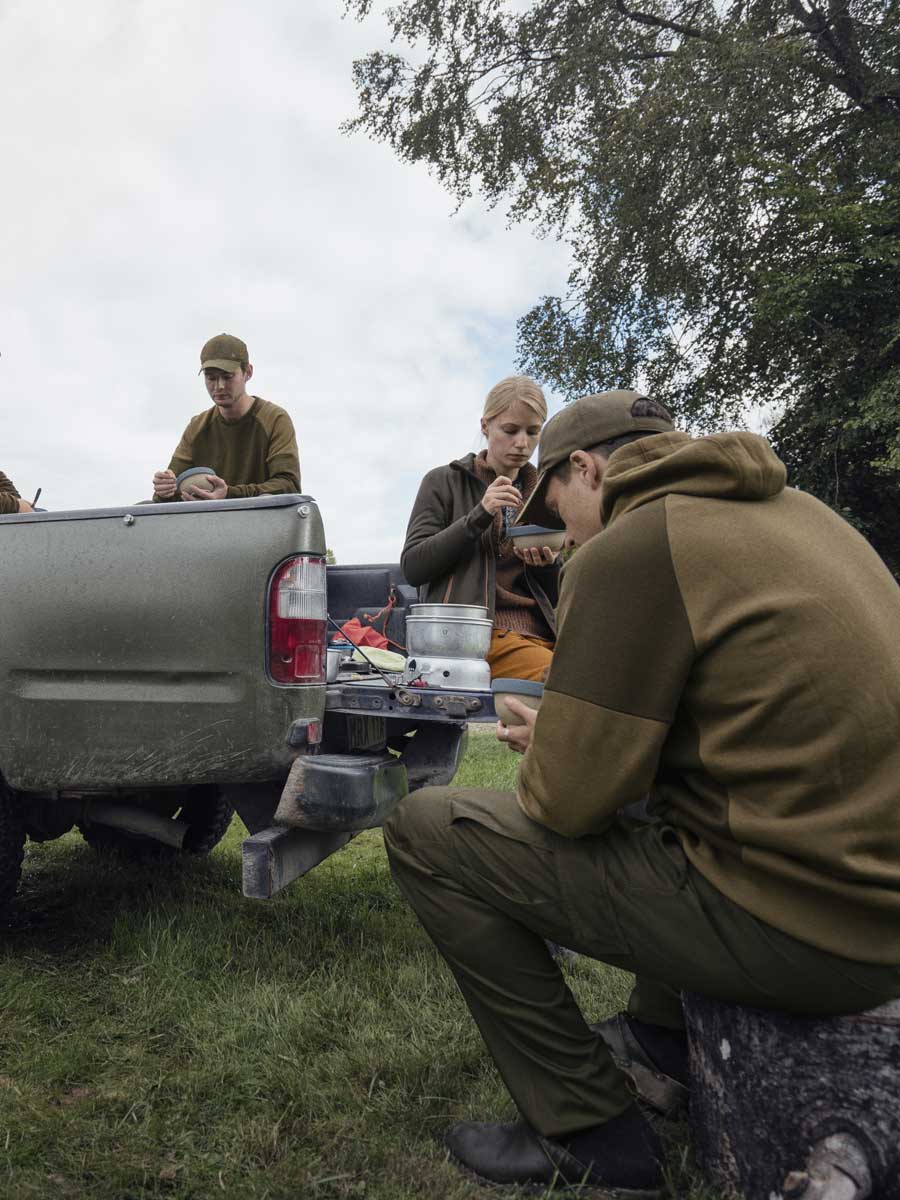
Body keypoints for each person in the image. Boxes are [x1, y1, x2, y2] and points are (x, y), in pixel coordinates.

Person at [383, 390, 900, 1196]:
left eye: (558, 510)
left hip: (816, 931)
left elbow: (565, 803)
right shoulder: (806, 515)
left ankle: (589, 1131)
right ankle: (661, 1042)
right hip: (871, 900)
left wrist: (559, 745)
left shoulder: (634, 545)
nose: (563, 536)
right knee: (649, 795)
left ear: (584, 469)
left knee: (426, 829)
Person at [401, 375, 559, 681]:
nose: (522, 443)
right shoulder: (443, 481)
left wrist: (548, 567)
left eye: (532, 432)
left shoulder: (545, 492)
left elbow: (558, 594)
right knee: (566, 682)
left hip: (544, 633)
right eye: (510, 430)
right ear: (485, 426)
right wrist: (479, 515)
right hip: (474, 636)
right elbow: (413, 568)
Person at [152, 333, 300, 502]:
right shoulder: (197, 426)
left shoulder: (274, 419)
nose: (219, 386)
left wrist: (229, 494)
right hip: (206, 517)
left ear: (248, 372)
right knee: (140, 508)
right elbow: (170, 489)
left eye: (228, 377)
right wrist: (164, 489)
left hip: (258, 515)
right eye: (211, 378)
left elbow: (289, 485)